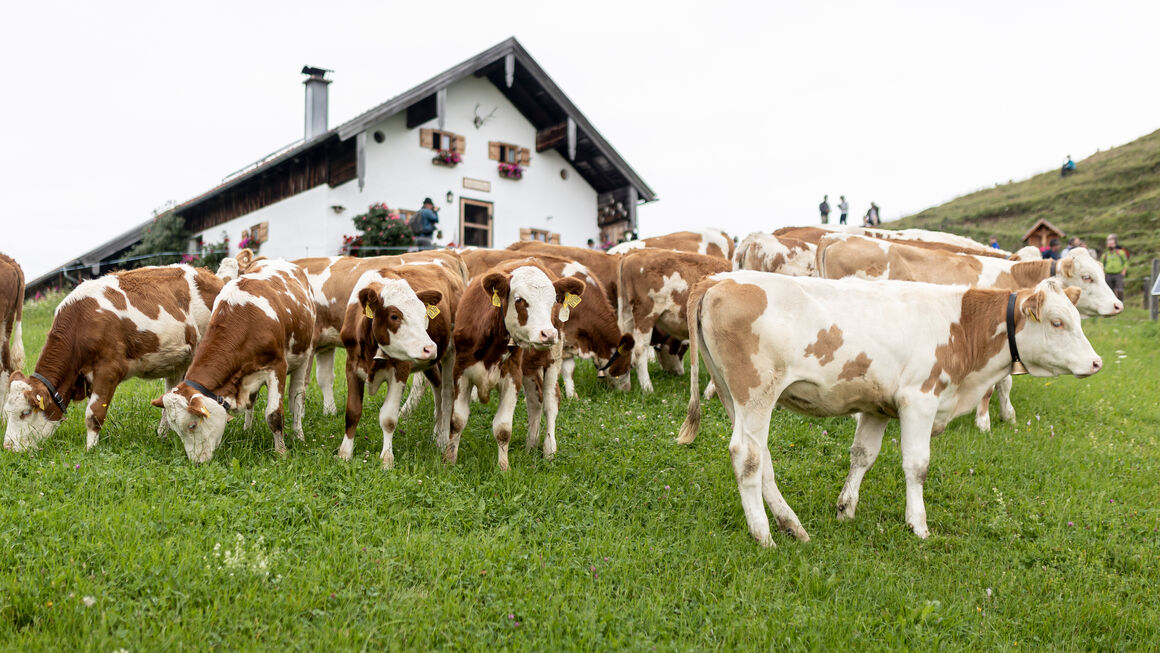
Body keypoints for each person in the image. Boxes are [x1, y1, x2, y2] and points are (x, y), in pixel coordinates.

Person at [1100, 233, 1129, 302]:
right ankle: (1111, 303)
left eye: (1112, 244)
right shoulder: (1105, 255)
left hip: (1118, 274)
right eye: (1109, 244)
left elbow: (1126, 262)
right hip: (1108, 274)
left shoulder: (1120, 252)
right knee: (1109, 290)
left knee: (1120, 290)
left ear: (1115, 244)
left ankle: (1120, 302)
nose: (1110, 245)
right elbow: (1102, 265)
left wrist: (1124, 271)